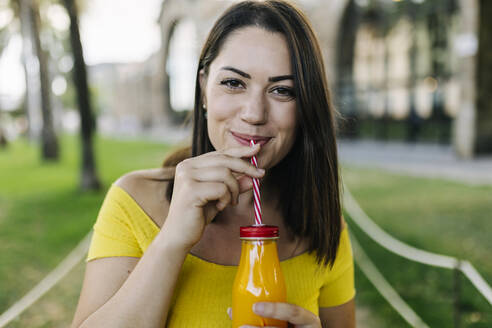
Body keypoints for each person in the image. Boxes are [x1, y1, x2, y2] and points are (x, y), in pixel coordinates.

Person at [71, 1, 355, 327]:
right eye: (234, 83)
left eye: (282, 90)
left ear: (306, 104)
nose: (254, 113)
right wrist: (173, 238)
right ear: (204, 88)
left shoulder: (321, 223)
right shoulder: (134, 200)